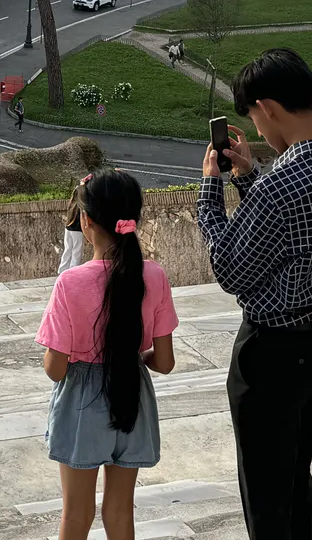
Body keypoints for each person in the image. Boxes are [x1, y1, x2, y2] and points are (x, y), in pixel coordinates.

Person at [200, 48, 312, 539]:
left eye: (254, 117)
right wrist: (248, 179)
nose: (257, 129)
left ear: (268, 107)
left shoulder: (280, 186)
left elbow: (231, 269)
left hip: (270, 358)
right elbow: (293, 236)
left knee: (265, 494)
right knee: (296, 473)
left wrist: (210, 189)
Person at [38, 169, 178, 540]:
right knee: (119, 510)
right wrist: (135, 357)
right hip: (133, 396)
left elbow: (55, 369)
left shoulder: (70, 283)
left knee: (76, 514)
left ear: (86, 221)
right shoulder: (155, 276)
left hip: (82, 404)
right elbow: (164, 362)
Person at [59, 177, 89, 276]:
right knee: (76, 251)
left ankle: (62, 270)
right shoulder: (80, 206)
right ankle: (73, 271)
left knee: (67, 249)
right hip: (77, 230)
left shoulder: (71, 204)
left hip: (68, 228)